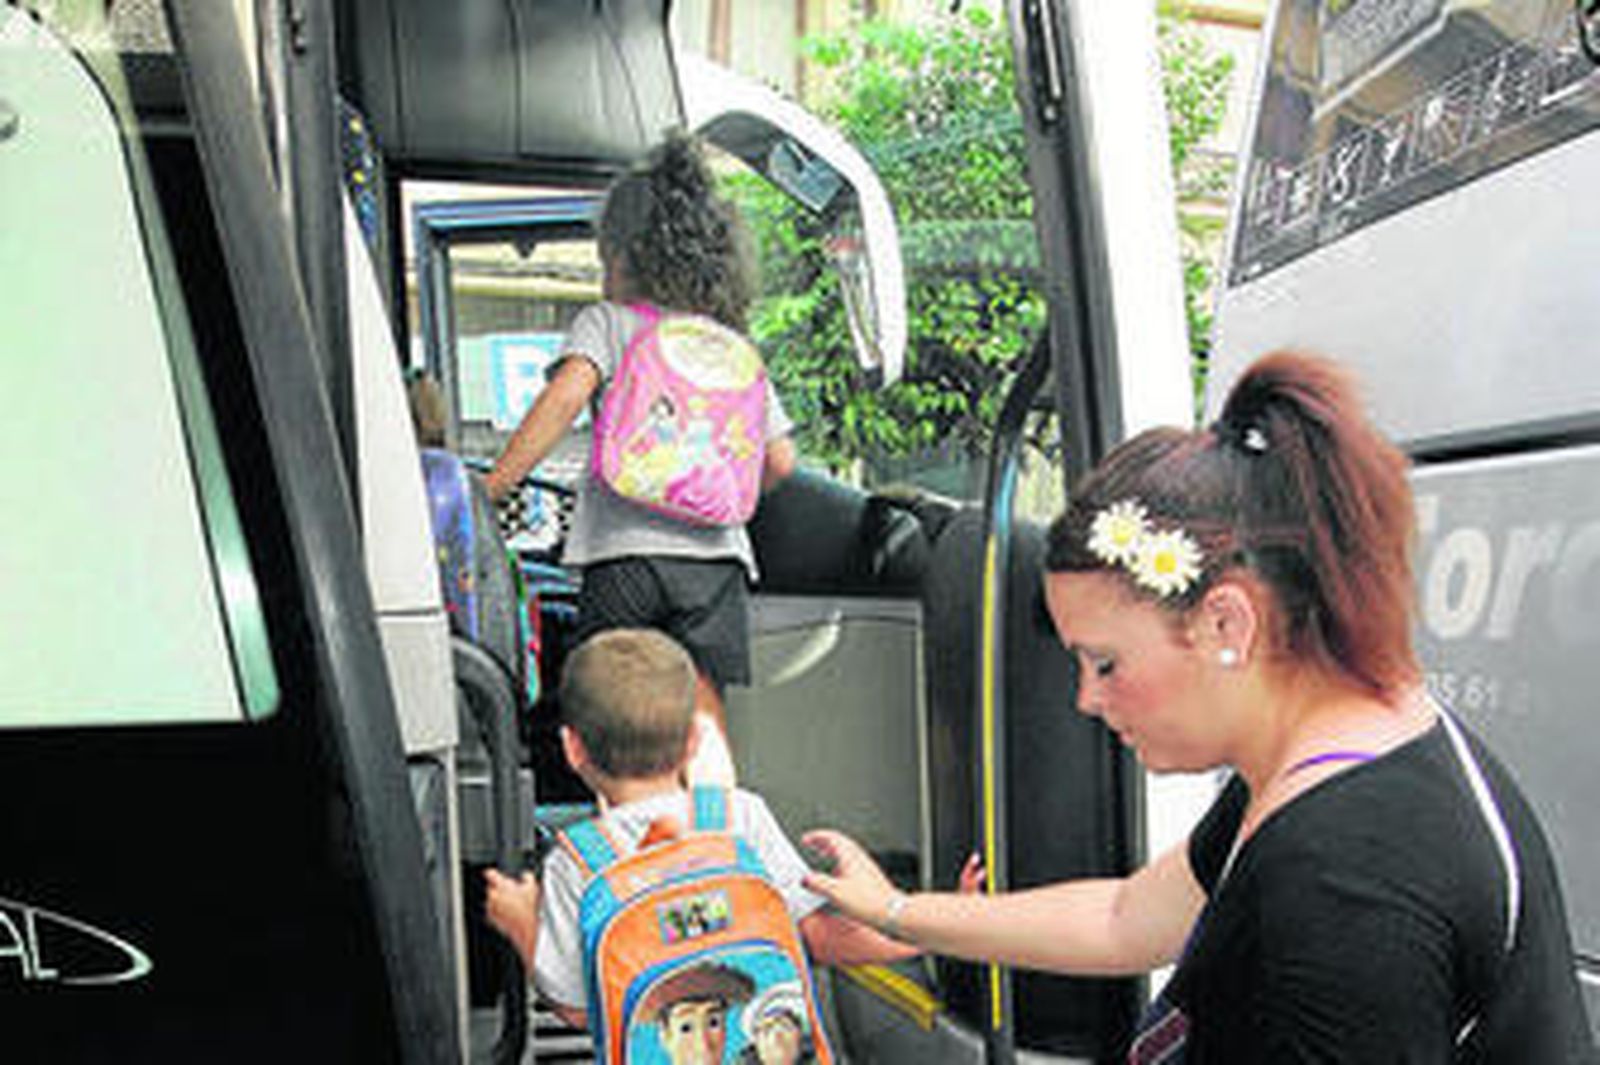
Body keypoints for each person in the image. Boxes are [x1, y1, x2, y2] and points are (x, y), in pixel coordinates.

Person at [802, 352, 1596, 1061]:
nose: (1087, 698)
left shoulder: (1344, 891)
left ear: (1226, 620)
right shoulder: (1331, 757)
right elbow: (1124, 917)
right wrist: (897, 911)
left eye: (1105, 662)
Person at [483, 132, 796, 785]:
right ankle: (712, 839)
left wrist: (493, 485)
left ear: (629, 255)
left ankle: (628, 848)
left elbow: (564, 398)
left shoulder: (611, 322)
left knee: (614, 712)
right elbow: (780, 462)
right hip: (714, 560)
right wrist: (712, 495)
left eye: (606, 258)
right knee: (701, 708)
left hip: (621, 552)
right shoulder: (729, 343)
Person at [483, 628, 913, 1032]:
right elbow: (817, 935)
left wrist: (522, 924)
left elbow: (577, 1009)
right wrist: (914, 939)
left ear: (573, 749)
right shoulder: (740, 818)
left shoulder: (578, 862)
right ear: (693, 740)